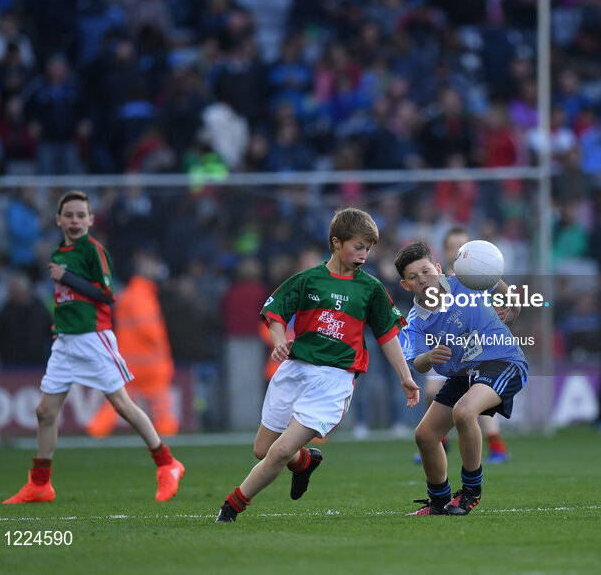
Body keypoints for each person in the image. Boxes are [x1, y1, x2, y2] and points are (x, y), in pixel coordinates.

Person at [216, 208, 419, 522]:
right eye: (358, 247)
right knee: (264, 450)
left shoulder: (371, 289)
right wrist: (280, 339)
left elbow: (388, 335)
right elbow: (275, 313)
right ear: (336, 243)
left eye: (368, 248)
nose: (364, 255)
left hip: (334, 380)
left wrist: (405, 375)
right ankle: (305, 462)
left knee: (279, 451)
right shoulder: (308, 279)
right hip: (295, 370)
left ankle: (231, 507)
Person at [3, 190, 184, 504]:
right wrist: (59, 323)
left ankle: (167, 464)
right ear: (59, 220)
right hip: (65, 341)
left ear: (90, 219)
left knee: (122, 405)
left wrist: (67, 277)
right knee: (45, 411)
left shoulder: (92, 251)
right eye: (69, 215)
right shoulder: (59, 253)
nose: (75, 220)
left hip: (93, 338)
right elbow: (67, 299)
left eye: (80, 215)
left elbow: (105, 294)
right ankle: (40, 484)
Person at [395, 241, 527, 516]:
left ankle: (470, 493)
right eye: (413, 277)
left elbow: (497, 283)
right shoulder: (415, 322)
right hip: (463, 375)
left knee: (464, 412)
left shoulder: (465, 282)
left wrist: (513, 307)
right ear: (405, 285)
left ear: (438, 268)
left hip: (503, 362)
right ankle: (439, 502)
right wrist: (429, 357)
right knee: (425, 435)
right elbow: (417, 364)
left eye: (426, 271)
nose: (423, 280)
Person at [414, 227, 512, 462]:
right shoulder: (438, 281)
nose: (458, 251)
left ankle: (497, 447)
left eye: (463, 246)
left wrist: (505, 309)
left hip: (476, 347)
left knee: (481, 398)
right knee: (431, 391)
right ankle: (439, 441)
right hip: (446, 350)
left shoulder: (479, 275)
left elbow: (499, 295)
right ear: (445, 252)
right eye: (453, 247)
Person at [86, 248, 177, 438]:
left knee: (118, 401)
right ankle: (167, 431)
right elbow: (151, 331)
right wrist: (164, 352)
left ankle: (97, 430)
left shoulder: (128, 295)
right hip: (150, 363)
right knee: (161, 404)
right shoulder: (143, 297)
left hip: (129, 361)